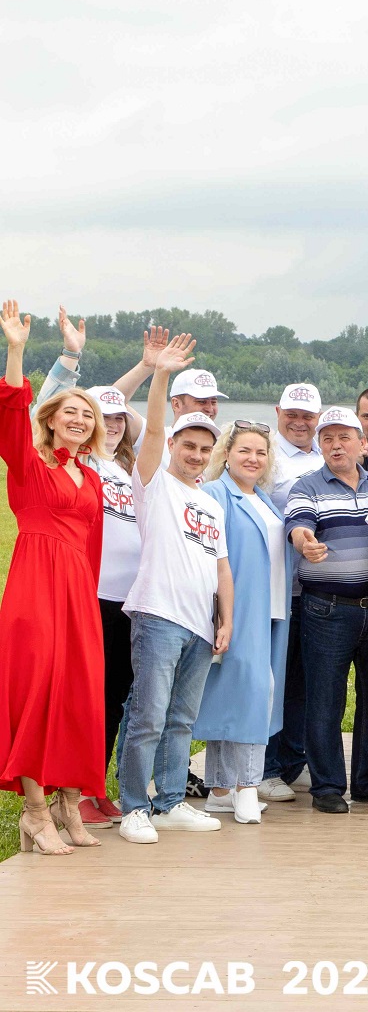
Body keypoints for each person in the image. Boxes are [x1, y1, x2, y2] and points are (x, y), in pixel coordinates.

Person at [0, 301, 110, 854]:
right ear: (49, 420)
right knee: (35, 689)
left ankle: (69, 805)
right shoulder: (29, 463)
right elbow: (10, 409)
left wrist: (86, 605)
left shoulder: (91, 480)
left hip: (76, 596)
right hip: (34, 588)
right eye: (68, 412)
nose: (78, 419)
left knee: (78, 695)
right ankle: (36, 810)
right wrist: (17, 349)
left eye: (86, 415)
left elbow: (92, 548)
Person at [116, 331, 233, 845]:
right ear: (173, 447)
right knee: (147, 715)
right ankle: (134, 808)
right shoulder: (153, 482)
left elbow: (221, 566)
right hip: (158, 615)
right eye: (188, 445)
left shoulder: (211, 501)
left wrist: (224, 618)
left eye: (206, 449)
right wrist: (160, 374)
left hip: (199, 623)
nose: (196, 454)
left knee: (182, 720)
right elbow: (156, 424)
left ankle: (169, 802)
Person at [30, 309, 143, 828]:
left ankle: (84, 792)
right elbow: (47, 407)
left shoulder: (115, 470)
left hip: (115, 594)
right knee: (65, 691)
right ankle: (55, 799)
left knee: (104, 694)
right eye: (105, 416)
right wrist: (74, 357)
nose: (110, 423)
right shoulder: (64, 459)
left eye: (119, 418)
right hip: (68, 591)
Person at [286, 407, 368, 813]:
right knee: (324, 700)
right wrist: (303, 540)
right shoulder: (307, 485)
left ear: (361, 442)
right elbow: (299, 523)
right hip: (326, 610)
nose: (335, 445)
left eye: (343, 437)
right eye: (327, 438)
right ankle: (327, 786)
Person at [195, 422, 293, 826]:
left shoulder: (265, 500)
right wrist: (218, 613)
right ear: (226, 454)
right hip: (237, 611)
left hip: (270, 609)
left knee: (231, 697)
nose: (253, 459)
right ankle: (248, 786)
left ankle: (219, 790)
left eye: (261, 452)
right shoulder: (215, 494)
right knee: (255, 694)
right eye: (244, 451)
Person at [257, 382, 323, 804]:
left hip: (313, 591)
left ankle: (291, 760)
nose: (300, 422)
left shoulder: (323, 458)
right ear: (278, 411)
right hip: (272, 590)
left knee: (301, 681)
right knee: (269, 681)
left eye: (308, 416)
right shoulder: (264, 454)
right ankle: (263, 767)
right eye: (293, 414)